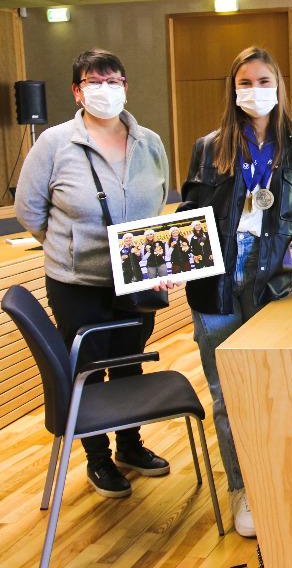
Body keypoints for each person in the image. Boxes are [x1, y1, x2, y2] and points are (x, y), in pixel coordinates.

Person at [180, 46, 292, 539]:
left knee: (273, 390)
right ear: (233, 88)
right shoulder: (209, 147)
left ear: (279, 88)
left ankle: (278, 477)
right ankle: (242, 487)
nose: (255, 90)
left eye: (265, 81)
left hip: (270, 290)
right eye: (246, 81)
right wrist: (165, 259)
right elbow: (189, 214)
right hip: (215, 291)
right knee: (226, 396)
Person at [14, 48, 171, 499]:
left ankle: (130, 445)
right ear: (76, 90)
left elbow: (158, 202)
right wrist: (67, 248)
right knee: (87, 369)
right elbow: (29, 210)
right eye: (92, 81)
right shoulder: (54, 143)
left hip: (137, 279)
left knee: (130, 362)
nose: (104, 89)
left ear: (126, 85)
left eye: (113, 80)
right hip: (76, 283)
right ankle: (97, 457)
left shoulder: (150, 142)